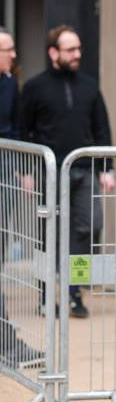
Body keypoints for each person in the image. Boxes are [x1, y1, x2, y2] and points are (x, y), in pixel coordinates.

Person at [21, 25, 115, 318]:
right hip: (49, 173)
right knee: (48, 235)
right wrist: (25, 171)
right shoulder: (35, 87)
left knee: (86, 230)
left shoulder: (89, 85)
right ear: (53, 52)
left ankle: (74, 293)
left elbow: (101, 128)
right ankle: (46, 296)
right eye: (70, 50)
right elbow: (25, 131)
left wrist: (107, 168)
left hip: (85, 171)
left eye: (78, 49)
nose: (77, 54)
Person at [0, 27, 43, 366]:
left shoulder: (10, 84)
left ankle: (6, 341)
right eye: (8, 50)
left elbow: (15, 130)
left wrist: (21, 170)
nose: (14, 55)